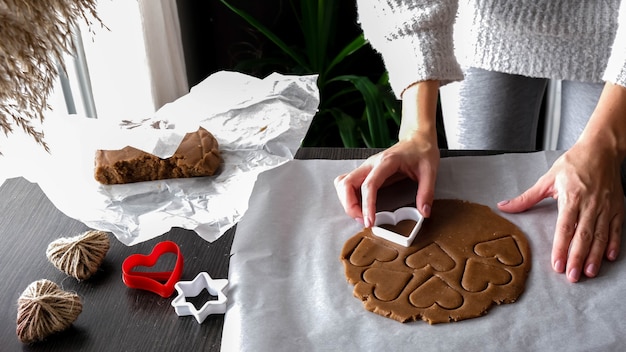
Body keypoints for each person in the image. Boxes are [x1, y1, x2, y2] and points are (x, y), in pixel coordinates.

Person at [334, 0, 626, 283]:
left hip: (614, 36)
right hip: (485, 20)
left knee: (588, 203)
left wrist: (606, 144)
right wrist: (415, 130)